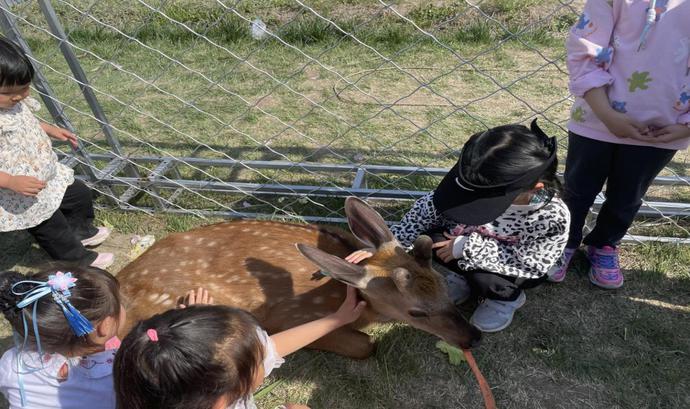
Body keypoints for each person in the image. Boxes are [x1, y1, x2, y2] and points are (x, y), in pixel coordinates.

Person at [347, 120, 570, 332]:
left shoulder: (550, 216)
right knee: (427, 241)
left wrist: (468, 247)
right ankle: (464, 279)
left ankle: (504, 298)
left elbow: (532, 264)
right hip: (457, 247)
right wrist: (388, 250)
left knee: (486, 278)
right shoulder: (471, 183)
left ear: (534, 188)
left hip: (508, 269)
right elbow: (423, 213)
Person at [552, 0, 690, 288]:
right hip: (596, 120)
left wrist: (685, 125)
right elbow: (585, 48)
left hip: (662, 130)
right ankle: (563, 241)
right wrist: (606, 114)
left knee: (627, 196)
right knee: (577, 189)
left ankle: (604, 244)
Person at [113, 286, 366, 409]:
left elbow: (273, 347)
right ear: (222, 399)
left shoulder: (145, 382)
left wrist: (337, 319)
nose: (267, 351)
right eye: (258, 360)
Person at [0, 266, 212, 409]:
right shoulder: (125, 370)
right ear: (105, 326)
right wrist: (191, 319)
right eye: (120, 302)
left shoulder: (11, 363)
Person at [0, 36, 113, 269]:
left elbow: (25, 121)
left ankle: (81, 230)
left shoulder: (12, 103)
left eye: (24, 88)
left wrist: (49, 129)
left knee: (78, 194)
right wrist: (10, 181)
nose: (20, 96)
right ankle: (78, 261)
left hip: (47, 174)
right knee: (50, 225)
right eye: (10, 92)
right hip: (20, 191)